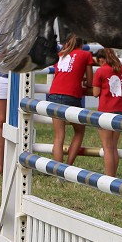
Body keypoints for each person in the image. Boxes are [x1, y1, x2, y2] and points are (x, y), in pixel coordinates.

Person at [47, 34, 94, 165]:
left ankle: (58, 172)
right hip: (71, 95)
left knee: (58, 136)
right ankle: (68, 166)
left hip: (54, 93)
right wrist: (83, 80)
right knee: (79, 131)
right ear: (82, 44)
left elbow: (64, 74)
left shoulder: (61, 54)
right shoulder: (86, 55)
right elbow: (90, 82)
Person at [92, 46, 122, 178]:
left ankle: (110, 177)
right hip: (119, 110)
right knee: (113, 147)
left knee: (107, 147)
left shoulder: (101, 71)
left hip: (105, 111)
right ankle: (113, 175)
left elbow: (95, 93)